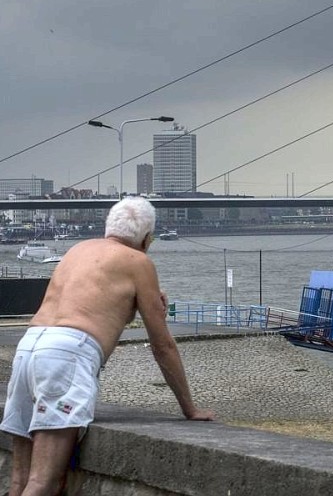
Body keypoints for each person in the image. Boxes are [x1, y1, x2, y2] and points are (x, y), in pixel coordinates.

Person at [1, 197, 213, 495]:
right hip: (66, 355)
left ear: (108, 227)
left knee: (19, 480)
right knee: (43, 481)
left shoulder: (77, 250)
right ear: (147, 238)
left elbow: (95, 303)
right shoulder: (139, 261)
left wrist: (139, 302)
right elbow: (162, 345)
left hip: (29, 346)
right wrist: (190, 409)